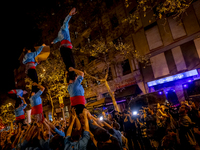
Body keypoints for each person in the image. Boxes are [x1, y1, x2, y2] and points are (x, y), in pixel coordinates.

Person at [51, 7, 77, 80]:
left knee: (68, 64)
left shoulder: (60, 32)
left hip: (62, 49)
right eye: (68, 25)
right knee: (72, 64)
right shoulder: (64, 28)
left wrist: (53, 41)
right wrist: (70, 15)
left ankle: (70, 78)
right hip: (66, 48)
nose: (68, 27)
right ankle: (72, 78)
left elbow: (57, 39)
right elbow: (65, 22)